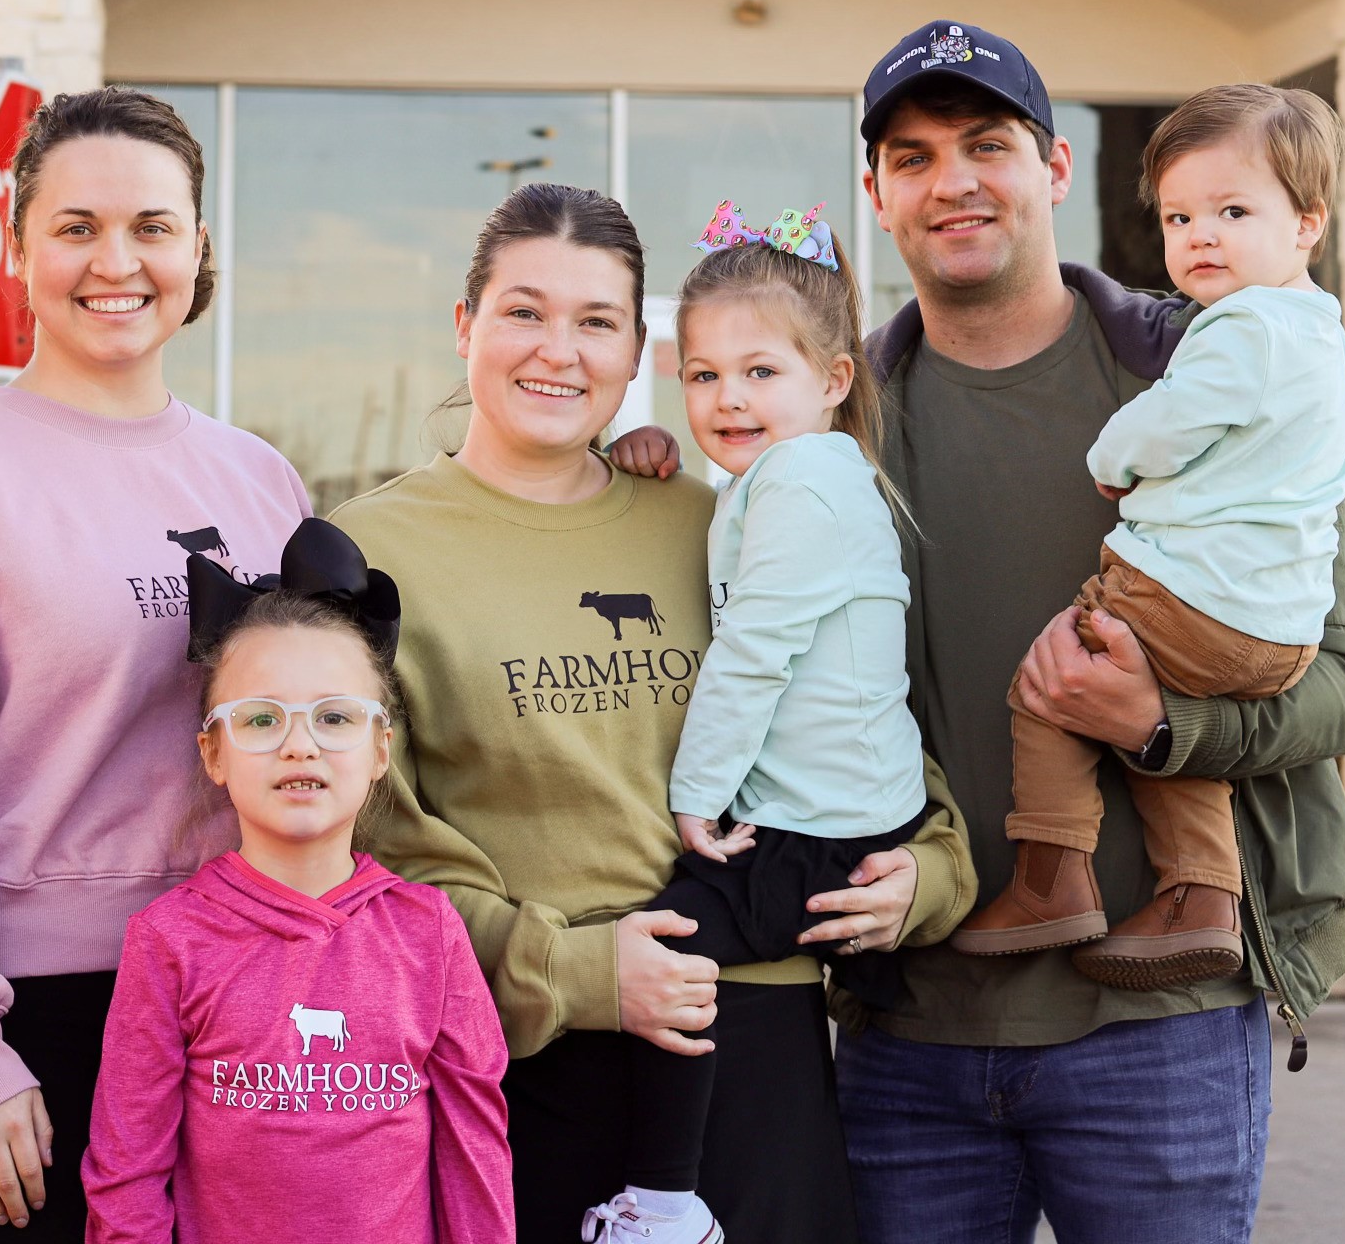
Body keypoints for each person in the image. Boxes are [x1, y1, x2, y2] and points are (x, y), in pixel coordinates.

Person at [330, 182, 977, 1244]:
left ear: (637, 353)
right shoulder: (371, 552)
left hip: (759, 1046)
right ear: (465, 325)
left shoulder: (717, 512)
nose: (559, 348)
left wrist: (930, 873)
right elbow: (373, 858)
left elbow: (854, 714)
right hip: (535, 1058)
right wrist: (582, 973)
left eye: (597, 321)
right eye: (524, 310)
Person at [834, 22, 1345, 1244]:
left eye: (988, 143)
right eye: (913, 157)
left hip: (1161, 1033)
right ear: (876, 195)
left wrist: (1165, 726)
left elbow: (1344, 684)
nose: (954, 179)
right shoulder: (835, 420)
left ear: (1057, 167)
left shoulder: (1209, 366)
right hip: (908, 1031)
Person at [0, 87, 314, 1240]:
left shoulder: (258, 483)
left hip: (234, 1000)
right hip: (21, 1028)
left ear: (198, 249)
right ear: (18, 245)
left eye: (152, 226)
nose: (115, 261)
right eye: (77, 226)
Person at [950, 84, 1345, 988]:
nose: (1200, 236)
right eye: (1179, 217)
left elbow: (1169, 423)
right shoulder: (1320, 336)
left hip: (1187, 592)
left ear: (1306, 227)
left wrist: (1113, 455)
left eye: (1232, 211)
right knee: (1163, 723)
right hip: (1275, 633)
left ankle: (1052, 876)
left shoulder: (1237, 328)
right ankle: (1202, 894)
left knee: (1052, 686)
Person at [611, 201, 933, 1244]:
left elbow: (755, 649)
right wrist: (652, 449)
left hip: (825, 823)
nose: (728, 397)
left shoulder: (801, 478)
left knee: (673, 949)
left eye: (760, 372)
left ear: (834, 378)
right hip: (845, 800)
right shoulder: (799, 472)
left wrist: (695, 795)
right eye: (702, 375)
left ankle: (659, 1201)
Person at [79, 519, 512, 1244]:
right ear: (214, 753)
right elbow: (126, 1173)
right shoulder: (168, 940)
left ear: (380, 749)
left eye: (334, 717)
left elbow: (474, 1154)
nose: (299, 744)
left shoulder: (429, 931)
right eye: (261, 719)